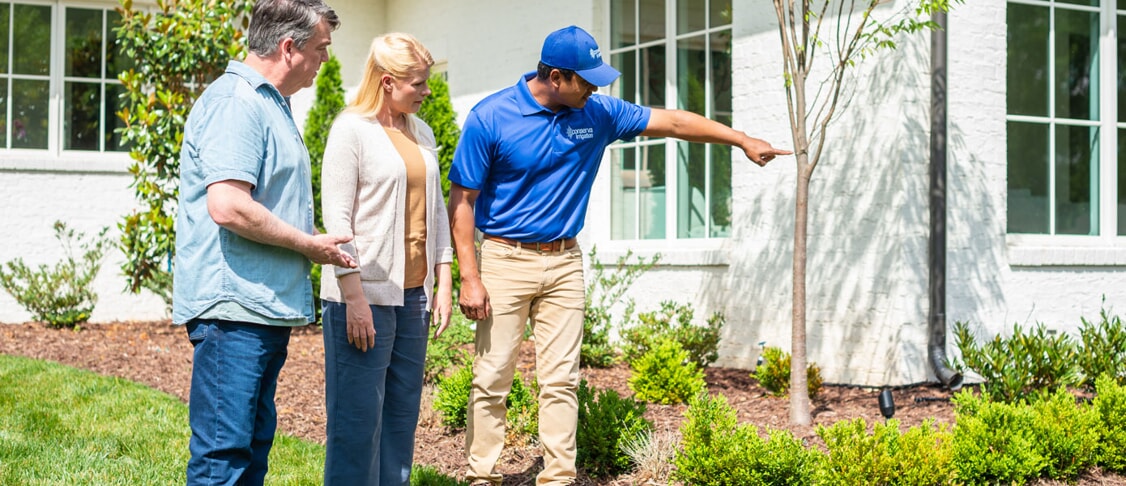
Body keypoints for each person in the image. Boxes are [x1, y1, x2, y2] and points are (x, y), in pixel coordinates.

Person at [448, 25, 792, 486]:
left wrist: (740, 138)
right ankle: (481, 476)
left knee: (562, 380)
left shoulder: (598, 112)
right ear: (554, 76)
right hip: (506, 260)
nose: (595, 88)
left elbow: (673, 122)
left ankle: (558, 479)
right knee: (492, 378)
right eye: (585, 80)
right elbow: (463, 201)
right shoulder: (491, 117)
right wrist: (469, 276)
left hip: (565, 261)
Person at [172, 0, 352, 484]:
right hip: (233, 309)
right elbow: (228, 205)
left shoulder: (271, 102)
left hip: (258, 306)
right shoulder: (237, 103)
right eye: (321, 49)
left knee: (251, 450)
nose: (326, 61)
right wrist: (309, 246)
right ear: (289, 47)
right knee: (223, 457)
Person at [318, 32, 453, 486]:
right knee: (356, 424)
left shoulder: (423, 132)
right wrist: (353, 297)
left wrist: (444, 279)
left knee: (400, 417)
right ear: (388, 81)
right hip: (363, 297)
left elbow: (435, 210)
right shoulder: (350, 131)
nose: (427, 91)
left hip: (413, 296)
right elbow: (337, 221)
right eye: (419, 83)